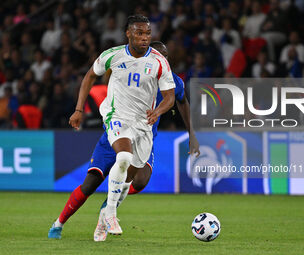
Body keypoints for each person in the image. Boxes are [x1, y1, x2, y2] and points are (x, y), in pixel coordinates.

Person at [48, 15, 175, 239]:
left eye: (147, 33)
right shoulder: (112, 55)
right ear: (128, 33)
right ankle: (72, 221)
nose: (144, 38)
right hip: (116, 117)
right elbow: (89, 76)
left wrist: (158, 111)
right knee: (118, 162)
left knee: (129, 180)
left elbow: (171, 97)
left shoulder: (159, 62)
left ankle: (105, 215)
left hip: (142, 125)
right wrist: (78, 110)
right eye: (139, 33)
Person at [93, 41, 201, 242]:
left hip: (146, 133)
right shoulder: (136, 74)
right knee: (121, 161)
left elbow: (182, 102)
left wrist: (191, 135)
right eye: (158, 55)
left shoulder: (173, 81)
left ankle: (106, 212)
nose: (162, 60)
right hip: (123, 126)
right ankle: (108, 214)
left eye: (165, 57)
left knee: (140, 181)